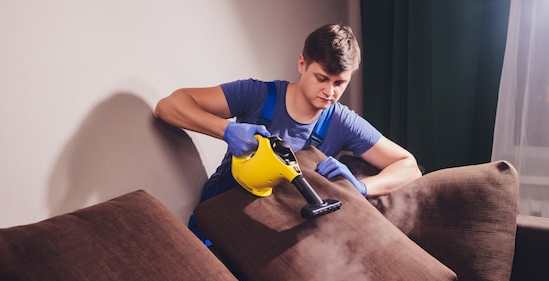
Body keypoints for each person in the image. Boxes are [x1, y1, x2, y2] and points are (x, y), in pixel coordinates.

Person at [155, 23, 421, 221]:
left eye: (340, 83)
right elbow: (169, 105)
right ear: (302, 63)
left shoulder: (342, 121)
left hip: (279, 228)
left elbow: (408, 166)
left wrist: (363, 187)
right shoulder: (256, 94)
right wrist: (227, 130)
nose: (330, 92)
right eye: (321, 78)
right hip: (221, 218)